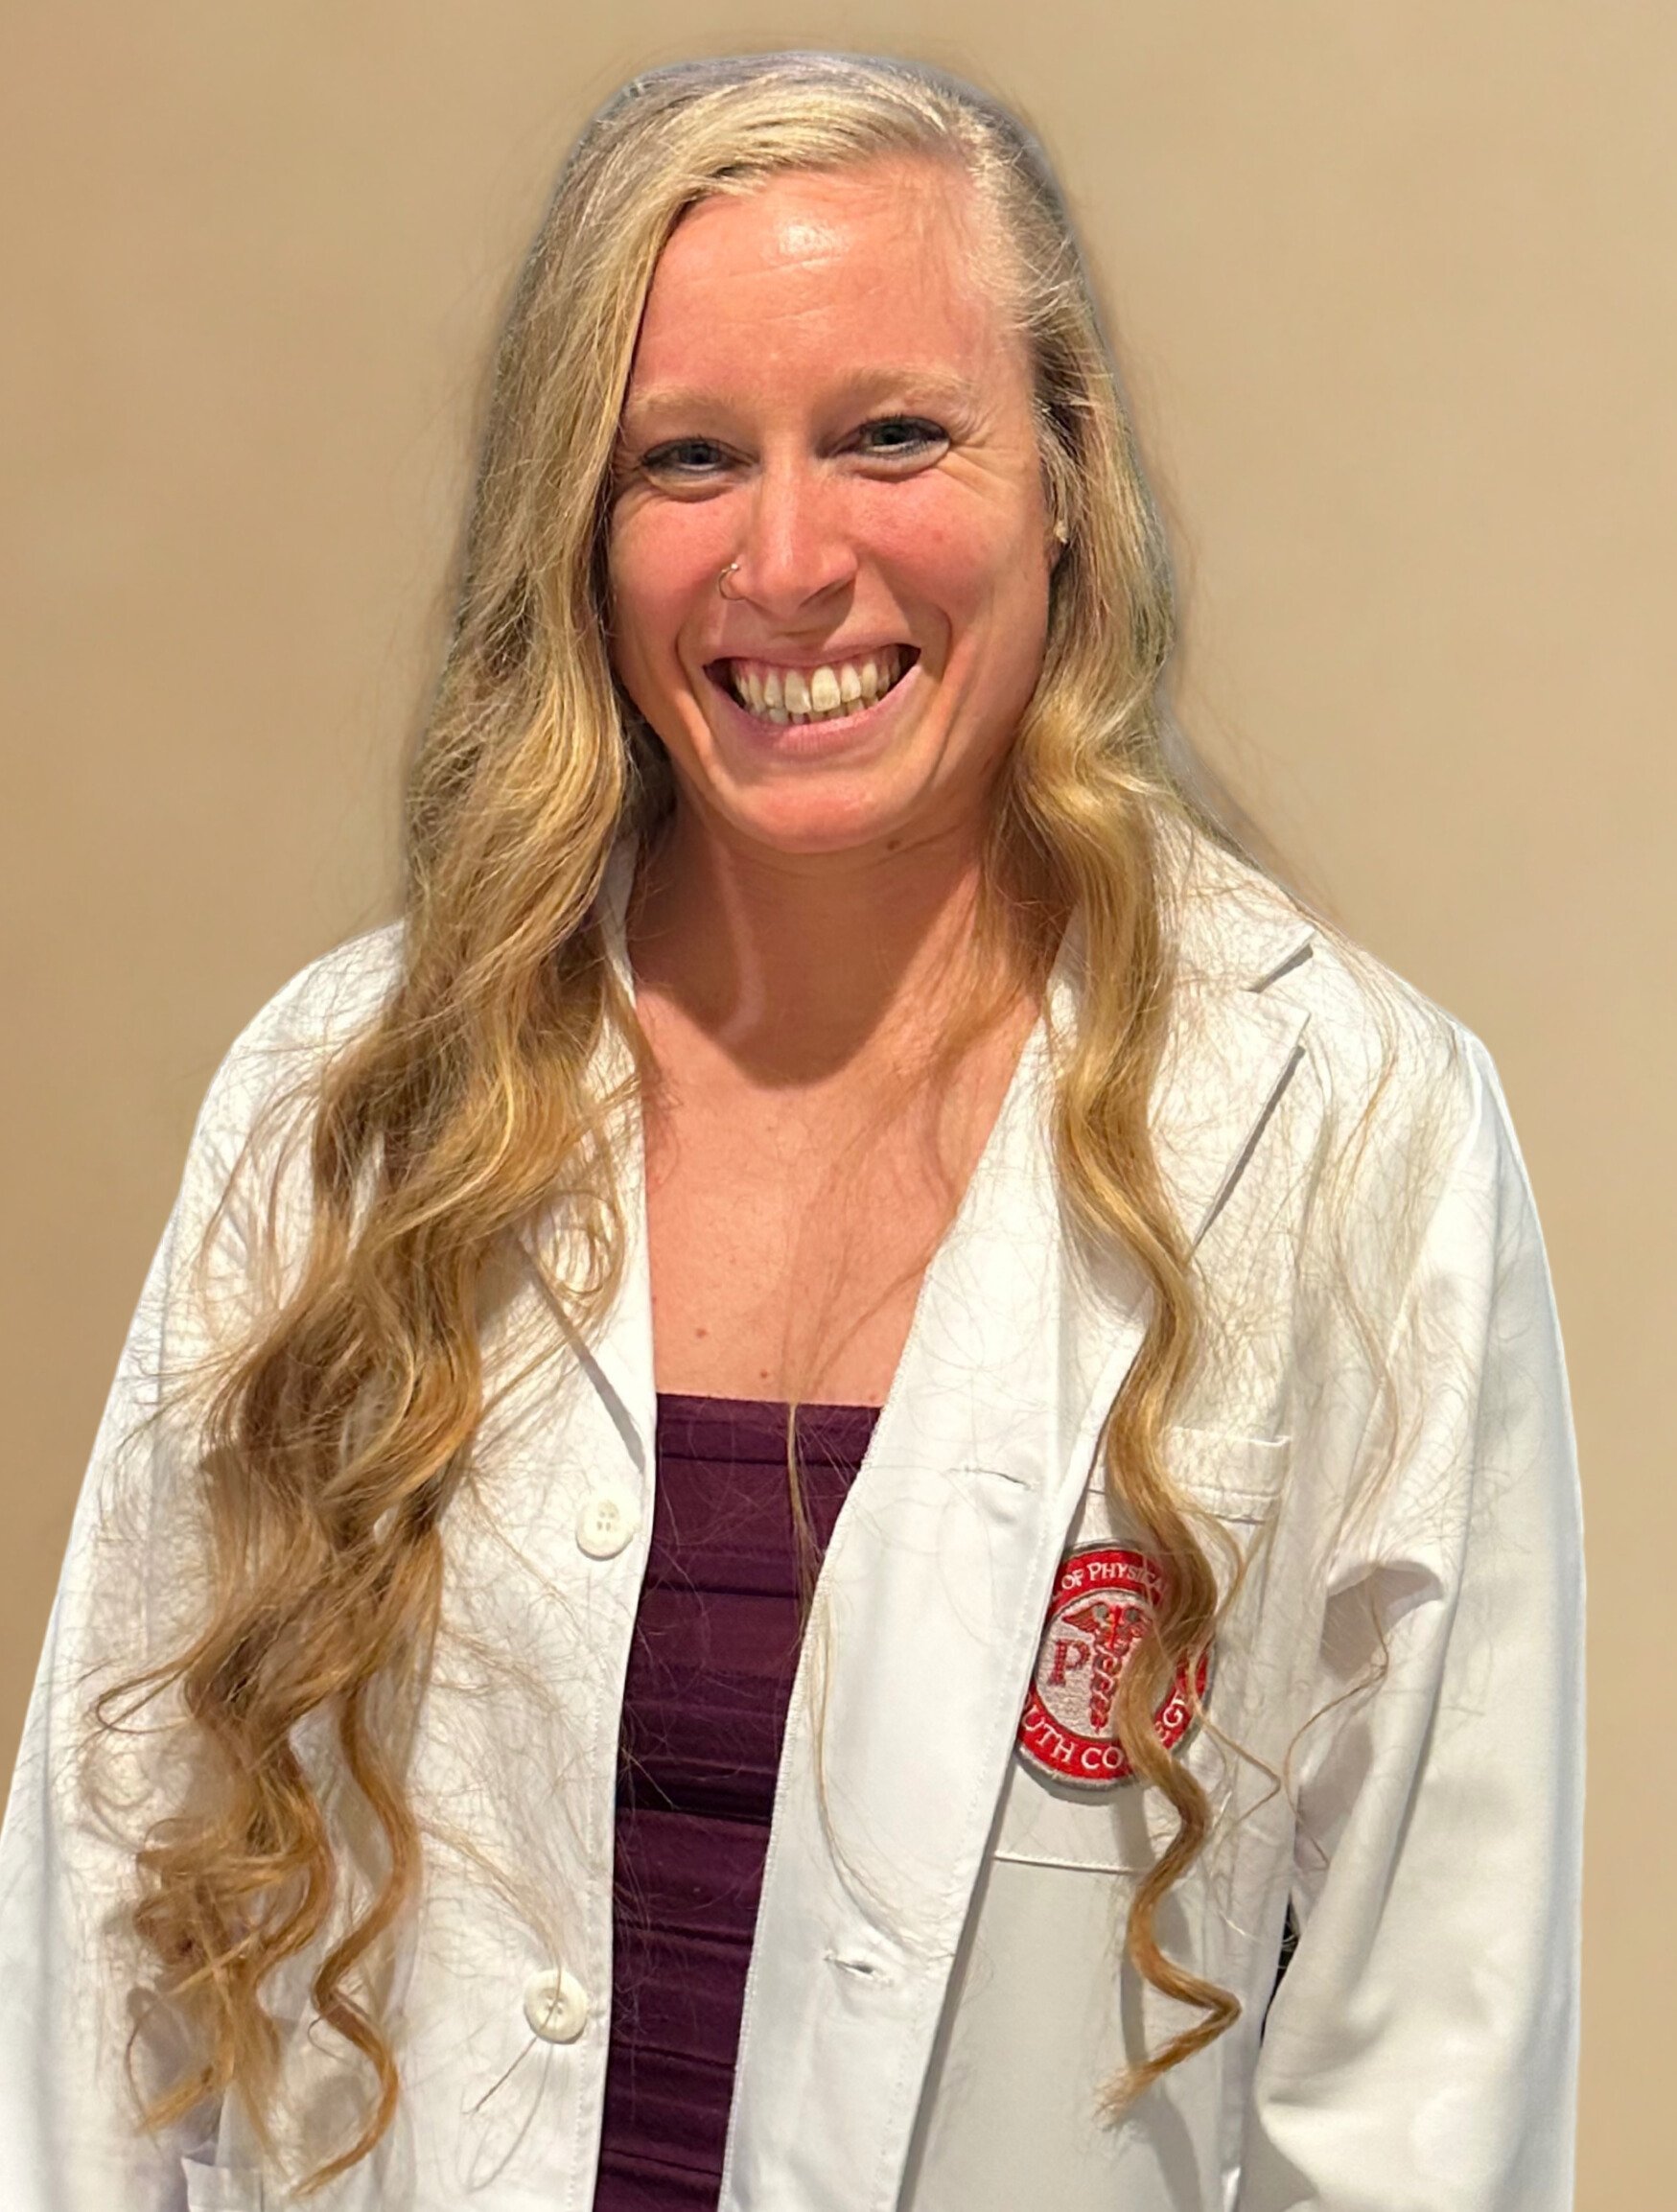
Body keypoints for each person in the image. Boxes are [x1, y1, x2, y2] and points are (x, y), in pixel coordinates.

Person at [0, 50, 1583, 2212]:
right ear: (579, 520)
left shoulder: (1344, 1132)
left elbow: (1423, 2075)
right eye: (682, 459)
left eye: (890, 433)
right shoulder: (339, 1102)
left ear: (1060, 475)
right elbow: (104, 1975)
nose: (786, 558)